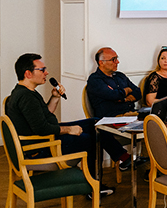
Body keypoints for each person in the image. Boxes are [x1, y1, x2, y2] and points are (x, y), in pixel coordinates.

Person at [5, 53, 112, 194]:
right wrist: (68, 130)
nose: (46, 73)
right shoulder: (26, 97)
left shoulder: (25, 92)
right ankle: (93, 187)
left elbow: (44, 116)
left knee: (94, 123)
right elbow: (42, 128)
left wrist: (55, 98)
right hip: (40, 148)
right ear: (28, 74)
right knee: (90, 139)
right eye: (42, 70)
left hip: (43, 139)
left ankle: (121, 157)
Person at [86, 47, 148, 172]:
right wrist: (124, 92)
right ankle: (125, 159)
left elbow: (137, 92)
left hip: (130, 114)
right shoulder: (95, 80)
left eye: (116, 58)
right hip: (110, 118)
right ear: (101, 62)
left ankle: (157, 163)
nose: (117, 62)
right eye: (113, 59)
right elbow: (113, 95)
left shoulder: (120, 76)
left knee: (155, 120)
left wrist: (123, 97)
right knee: (100, 132)